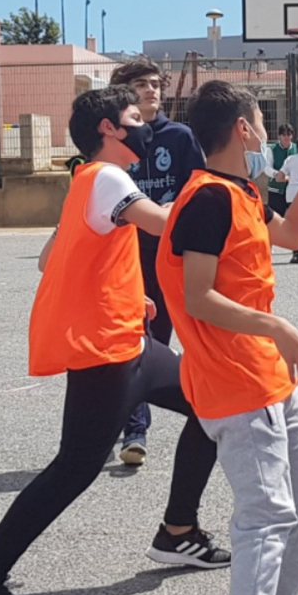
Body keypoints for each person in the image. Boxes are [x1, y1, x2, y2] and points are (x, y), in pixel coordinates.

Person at [0, 86, 228, 595]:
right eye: (132, 116)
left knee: (212, 403)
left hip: (131, 342)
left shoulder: (87, 181)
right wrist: (221, 194)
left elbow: (57, 255)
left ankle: (178, 531)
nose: (143, 123)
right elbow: (170, 227)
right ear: (109, 129)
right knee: (74, 468)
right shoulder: (106, 176)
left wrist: (130, 292)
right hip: (106, 353)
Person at [157, 80, 298, 595]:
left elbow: (293, 233)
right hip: (236, 385)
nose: (268, 137)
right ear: (243, 128)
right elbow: (197, 298)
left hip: (269, 379)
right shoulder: (205, 199)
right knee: (265, 519)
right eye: (263, 126)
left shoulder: (241, 193)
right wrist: (277, 327)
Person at [109, 57, 206, 465]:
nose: (152, 90)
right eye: (142, 84)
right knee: (133, 342)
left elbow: (199, 190)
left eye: (155, 84)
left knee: (162, 343)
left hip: (169, 259)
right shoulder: (116, 141)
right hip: (126, 260)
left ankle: (132, 418)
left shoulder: (180, 137)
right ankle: (134, 429)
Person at [268, 123, 297, 216]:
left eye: (288, 134)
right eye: (283, 134)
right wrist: (278, 175)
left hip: (292, 189)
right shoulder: (272, 149)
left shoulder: (297, 148)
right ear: (279, 136)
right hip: (276, 189)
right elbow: (267, 167)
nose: (286, 137)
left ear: (292, 135)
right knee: (276, 218)